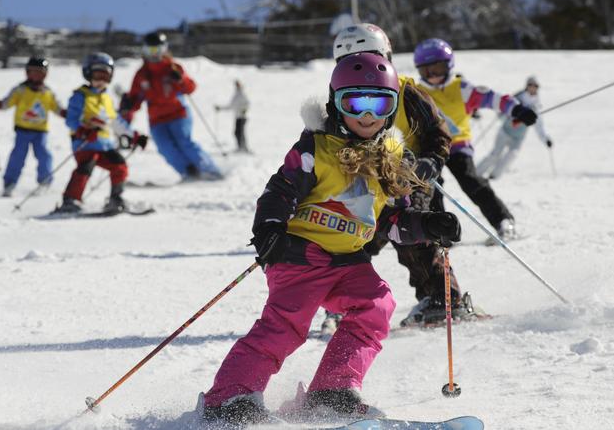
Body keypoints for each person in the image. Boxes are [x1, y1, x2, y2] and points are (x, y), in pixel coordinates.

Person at [199, 53, 462, 425]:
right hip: (300, 254)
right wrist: (270, 229)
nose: (367, 115)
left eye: (379, 103)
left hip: (349, 259)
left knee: (376, 306)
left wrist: (429, 226)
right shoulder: (316, 148)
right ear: (335, 104)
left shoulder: (390, 157)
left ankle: (333, 388)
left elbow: (391, 220)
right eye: (355, 103)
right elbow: (279, 191)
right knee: (286, 326)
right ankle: (230, 397)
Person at [321, 24, 470, 333]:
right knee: (351, 238)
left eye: (373, 59)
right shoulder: (340, 96)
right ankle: (342, 303)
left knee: (412, 230)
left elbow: (436, 131)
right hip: (361, 179)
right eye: (351, 62)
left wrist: (431, 159)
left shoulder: (405, 91)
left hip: (408, 174)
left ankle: (441, 298)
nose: (365, 71)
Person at [413, 38, 538, 243]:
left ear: (449, 65)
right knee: (431, 185)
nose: (433, 76)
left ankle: (503, 222)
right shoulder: (417, 93)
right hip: (430, 149)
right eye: (427, 71)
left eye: (438, 68)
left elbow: (493, 98)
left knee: (471, 180)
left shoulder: (460, 87)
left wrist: (517, 109)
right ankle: (439, 233)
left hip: (458, 146)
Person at [120, 31, 222, 180]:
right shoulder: (142, 74)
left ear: (164, 49)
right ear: (145, 50)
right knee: (165, 148)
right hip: (156, 119)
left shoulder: (173, 68)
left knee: (184, 142)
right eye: (150, 50)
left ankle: (210, 170)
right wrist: (128, 104)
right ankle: (189, 172)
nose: (154, 54)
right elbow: (136, 99)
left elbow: (190, 88)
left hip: (178, 113)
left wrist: (180, 80)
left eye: (157, 50)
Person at [55, 52, 147, 214]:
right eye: (97, 75)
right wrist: (83, 130)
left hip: (104, 145)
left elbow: (117, 122)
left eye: (105, 76)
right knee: (86, 167)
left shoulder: (107, 99)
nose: (101, 81)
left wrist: (134, 136)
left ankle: (115, 199)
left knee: (119, 166)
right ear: (88, 74)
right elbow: (71, 119)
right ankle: (70, 199)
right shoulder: (80, 96)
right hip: (85, 143)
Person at [0, 57, 65, 197]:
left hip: (41, 131)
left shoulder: (47, 92)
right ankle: (10, 183)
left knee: (44, 155)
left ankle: (45, 182)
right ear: (27, 73)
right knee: (17, 156)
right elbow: (7, 103)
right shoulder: (20, 90)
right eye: (32, 72)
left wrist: (66, 113)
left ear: (45, 74)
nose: (35, 76)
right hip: (23, 130)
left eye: (39, 72)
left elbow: (57, 108)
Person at [477, 76, 552, 180]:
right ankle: (477, 173)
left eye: (535, 86)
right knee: (495, 155)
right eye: (530, 85)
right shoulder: (518, 97)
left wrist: (545, 139)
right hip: (505, 131)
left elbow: (539, 125)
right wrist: (509, 116)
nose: (532, 88)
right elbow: (503, 110)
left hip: (519, 136)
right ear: (527, 86)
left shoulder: (537, 105)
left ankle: (494, 176)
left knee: (512, 154)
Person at [215, 79, 250, 153]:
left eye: (238, 84)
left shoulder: (242, 94)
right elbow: (231, 106)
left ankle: (243, 148)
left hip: (242, 116)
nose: (237, 86)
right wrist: (220, 108)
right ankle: (241, 147)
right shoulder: (236, 94)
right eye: (236, 84)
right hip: (238, 116)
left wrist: (244, 110)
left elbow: (247, 103)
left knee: (240, 132)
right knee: (237, 132)